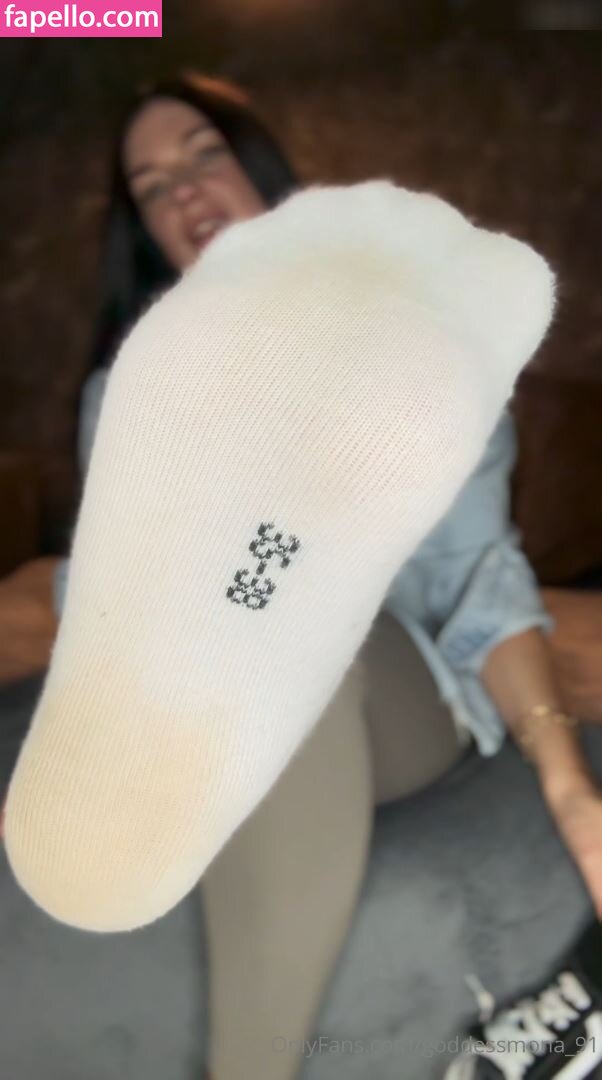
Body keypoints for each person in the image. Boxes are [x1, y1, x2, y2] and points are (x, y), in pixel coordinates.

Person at [5, 72, 602, 1080]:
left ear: (261, 169)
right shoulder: (134, 387)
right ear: (142, 229)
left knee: (299, 666)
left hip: (401, 694)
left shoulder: (422, 365)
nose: (183, 191)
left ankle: (241, 631)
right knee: (252, 652)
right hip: (212, 646)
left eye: (204, 154)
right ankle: (216, 650)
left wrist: (567, 782)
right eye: (151, 186)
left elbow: (481, 581)